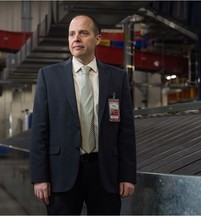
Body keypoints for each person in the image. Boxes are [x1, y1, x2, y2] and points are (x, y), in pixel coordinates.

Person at [30, 14, 136, 215]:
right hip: (62, 174)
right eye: (72, 34)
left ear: (97, 39)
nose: (76, 38)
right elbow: (39, 131)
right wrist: (40, 177)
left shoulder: (117, 78)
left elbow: (126, 132)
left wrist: (128, 175)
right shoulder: (48, 76)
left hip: (105, 173)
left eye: (83, 33)